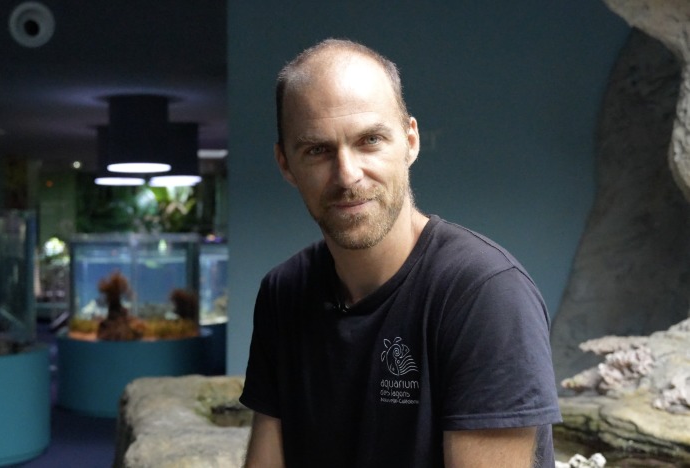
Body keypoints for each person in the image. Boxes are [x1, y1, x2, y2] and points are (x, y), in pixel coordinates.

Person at [239, 38, 562, 467]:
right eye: (317, 150)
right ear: (285, 164)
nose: (347, 175)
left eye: (370, 140)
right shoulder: (284, 292)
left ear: (410, 141)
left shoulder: (485, 294)